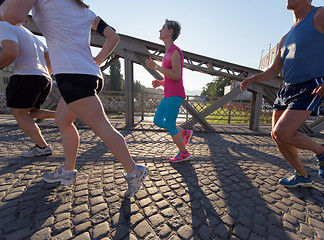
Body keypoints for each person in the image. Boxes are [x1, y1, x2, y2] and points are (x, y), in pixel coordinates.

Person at [1, 0, 148, 198]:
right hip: (90, 74)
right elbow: (113, 36)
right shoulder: (84, 10)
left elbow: (14, 17)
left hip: (73, 75)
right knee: (63, 120)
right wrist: (97, 60)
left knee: (102, 127)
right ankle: (68, 171)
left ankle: (133, 170)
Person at [240, 0, 324, 187]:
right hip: (287, 88)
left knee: (283, 132)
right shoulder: (286, 37)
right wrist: (253, 79)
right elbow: (274, 70)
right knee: (277, 136)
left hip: (311, 85)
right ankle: (302, 175)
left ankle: (323, 151)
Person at [0, 0, 55, 157]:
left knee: (19, 114)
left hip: (26, 76)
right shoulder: (29, 33)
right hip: (44, 77)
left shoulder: (3, 25)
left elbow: (11, 53)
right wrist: (44, 74)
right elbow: (49, 57)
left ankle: (42, 147)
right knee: (31, 112)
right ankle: (64, 115)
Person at [145, 19, 193, 163]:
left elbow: (177, 75)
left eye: (163, 28)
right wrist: (161, 82)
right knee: (158, 120)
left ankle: (183, 153)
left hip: (175, 94)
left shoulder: (175, 51)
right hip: (168, 93)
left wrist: (156, 67)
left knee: (170, 123)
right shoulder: (167, 53)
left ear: (170, 32)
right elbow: (171, 75)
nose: (160, 30)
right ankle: (184, 133)